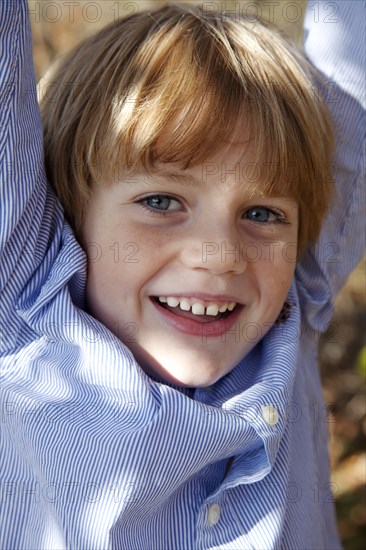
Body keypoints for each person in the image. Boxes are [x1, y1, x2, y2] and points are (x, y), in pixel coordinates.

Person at [0, 0, 364, 548]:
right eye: (161, 200)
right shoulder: (23, 303)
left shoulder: (293, 300)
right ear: (71, 215)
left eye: (262, 214)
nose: (220, 254)